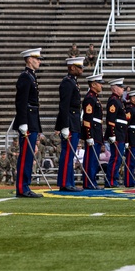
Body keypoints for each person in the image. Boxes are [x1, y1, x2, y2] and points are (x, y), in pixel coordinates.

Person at [13, 48, 43, 198]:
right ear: (29, 60)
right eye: (37, 59)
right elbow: (21, 102)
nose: (39, 61)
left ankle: (25, 185)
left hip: (32, 121)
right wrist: (23, 122)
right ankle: (22, 187)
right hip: (27, 121)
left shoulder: (31, 77)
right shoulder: (25, 77)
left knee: (29, 156)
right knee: (25, 155)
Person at [54, 55, 84, 192]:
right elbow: (64, 106)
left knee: (70, 155)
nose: (81, 69)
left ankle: (69, 181)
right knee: (67, 154)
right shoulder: (67, 82)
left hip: (74, 121)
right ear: (71, 67)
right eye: (79, 67)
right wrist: (64, 126)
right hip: (70, 122)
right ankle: (65, 182)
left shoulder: (73, 82)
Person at [80, 73, 104, 189]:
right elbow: (87, 119)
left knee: (94, 159)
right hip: (93, 132)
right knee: (91, 158)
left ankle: (92, 181)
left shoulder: (94, 98)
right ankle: (88, 182)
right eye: (99, 84)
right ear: (93, 84)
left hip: (97, 130)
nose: (101, 86)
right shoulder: (90, 98)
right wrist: (89, 135)